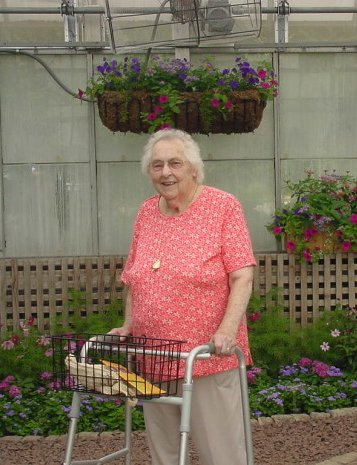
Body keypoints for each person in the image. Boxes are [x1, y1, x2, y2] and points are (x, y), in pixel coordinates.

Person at [109, 128, 256, 465]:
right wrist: (128, 325)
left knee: (221, 450)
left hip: (204, 356)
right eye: (157, 165)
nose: (166, 173)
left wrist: (227, 331)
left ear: (193, 168)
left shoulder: (221, 206)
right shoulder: (147, 212)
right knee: (164, 452)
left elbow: (242, 275)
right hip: (154, 355)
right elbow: (136, 276)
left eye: (175, 163)